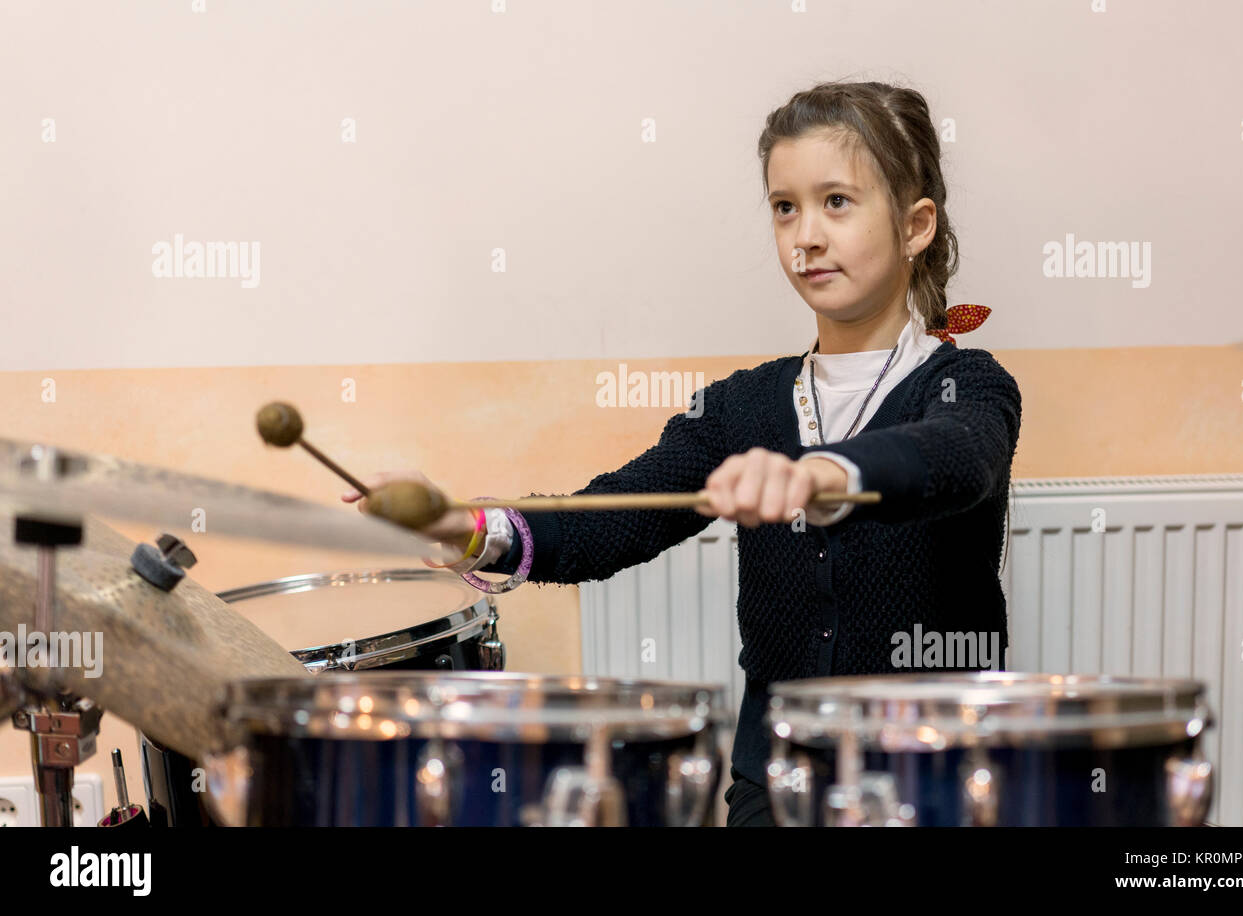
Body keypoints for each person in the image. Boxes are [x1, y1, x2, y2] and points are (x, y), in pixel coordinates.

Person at [344, 80, 1022, 826]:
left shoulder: (968, 386)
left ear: (916, 224)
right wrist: (464, 525)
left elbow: (955, 459)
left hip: (941, 783)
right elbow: (607, 521)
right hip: (777, 784)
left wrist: (822, 472)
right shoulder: (740, 406)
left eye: (837, 202)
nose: (807, 236)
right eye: (784, 206)